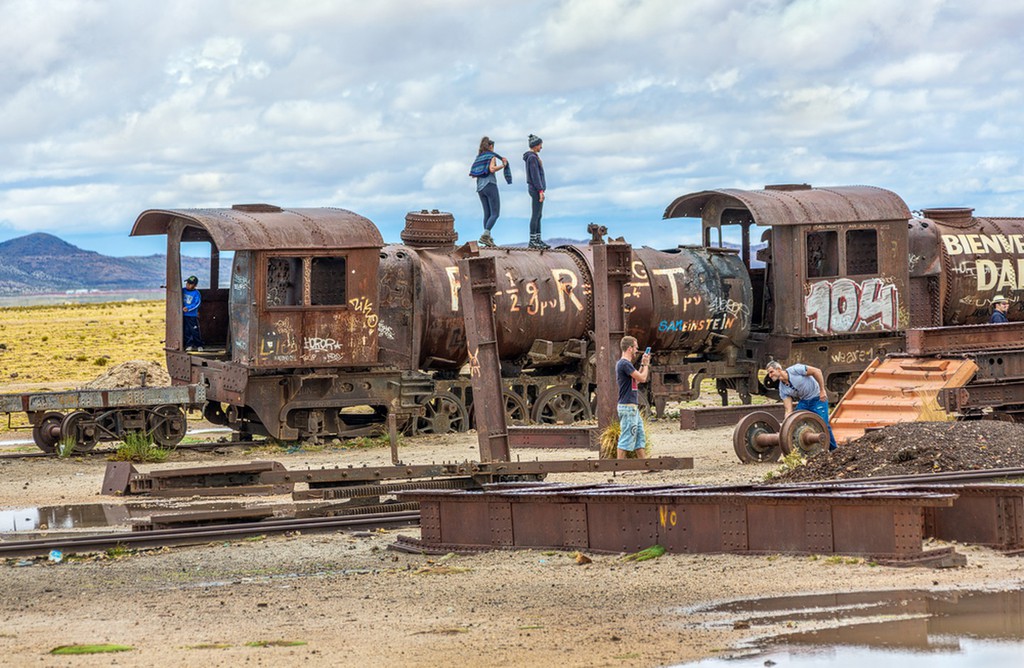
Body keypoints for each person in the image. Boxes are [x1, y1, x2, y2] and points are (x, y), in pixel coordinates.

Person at [765, 361, 837, 451]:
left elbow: (817, 371)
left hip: (818, 399)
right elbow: (788, 410)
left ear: (779, 369)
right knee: (795, 420)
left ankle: (834, 450)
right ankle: (800, 449)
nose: (770, 375)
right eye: (769, 373)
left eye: (771, 372)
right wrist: (787, 424)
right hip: (804, 402)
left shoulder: (795, 370)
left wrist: (822, 390)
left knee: (824, 424)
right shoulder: (782, 389)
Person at [468, 136, 511, 248]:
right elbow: (492, 169)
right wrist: (503, 165)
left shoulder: (479, 157)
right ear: (491, 146)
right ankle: (486, 234)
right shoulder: (491, 156)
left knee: (487, 213)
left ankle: (488, 238)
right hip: (490, 185)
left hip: (480, 188)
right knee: (495, 213)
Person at [616, 336, 651, 459]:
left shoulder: (626, 365)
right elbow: (642, 378)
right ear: (630, 348)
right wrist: (646, 365)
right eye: (636, 347)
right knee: (626, 437)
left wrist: (642, 364)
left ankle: (644, 465)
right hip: (627, 406)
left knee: (639, 437)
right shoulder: (625, 364)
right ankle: (619, 467)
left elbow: (636, 380)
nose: (637, 350)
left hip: (631, 407)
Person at [523, 134, 549, 249]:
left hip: (536, 189)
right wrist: (540, 190)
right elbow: (535, 176)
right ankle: (533, 240)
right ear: (535, 146)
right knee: (536, 214)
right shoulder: (532, 158)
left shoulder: (533, 157)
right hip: (536, 190)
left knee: (539, 215)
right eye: (540, 145)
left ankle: (538, 239)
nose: (541, 147)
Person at [182, 275, 203, 352]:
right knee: (187, 330)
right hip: (184, 315)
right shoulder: (183, 290)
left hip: (192, 315)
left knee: (194, 330)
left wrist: (189, 308)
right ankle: (189, 345)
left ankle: (199, 345)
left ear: (195, 285)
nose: (188, 285)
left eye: (190, 284)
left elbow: (197, 303)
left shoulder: (196, 293)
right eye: (187, 283)